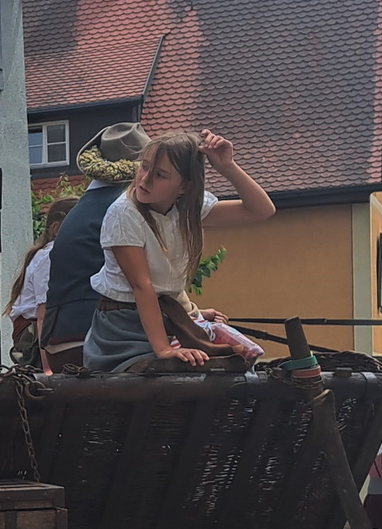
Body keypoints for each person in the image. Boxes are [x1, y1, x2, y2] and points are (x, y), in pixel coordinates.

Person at [81, 130, 276, 372]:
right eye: (144, 167)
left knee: (244, 358)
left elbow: (261, 211)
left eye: (161, 175)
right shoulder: (124, 213)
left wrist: (227, 167)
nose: (144, 179)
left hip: (168, 318)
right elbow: (143, 286)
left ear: (184, 187)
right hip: (122, 328)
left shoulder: (186, 207)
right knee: (181, 373)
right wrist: (164, 350)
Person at [39, 123, 150, 365]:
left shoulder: (84, 205)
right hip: (98, 337)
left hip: (59, 334)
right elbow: (143, 282)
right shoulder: (125, 206)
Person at [6, 193, 77, 364]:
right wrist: (46, 366)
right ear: (56, 228)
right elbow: (43, 314)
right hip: (33, 338)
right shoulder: (50, 256)